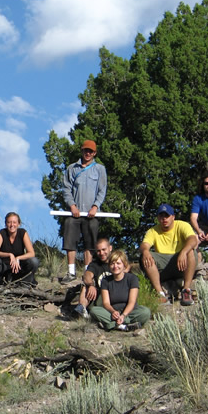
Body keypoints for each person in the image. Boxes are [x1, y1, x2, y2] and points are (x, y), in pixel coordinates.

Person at [61, 139, 107, 282]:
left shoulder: (100, 169)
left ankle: (88, 272)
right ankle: (71, 272)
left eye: (91, 151)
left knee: (90, 242)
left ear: (94, 153)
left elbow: (102, 190)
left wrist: (95, 206)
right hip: (74, 212)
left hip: (91, 214)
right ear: (81, 151)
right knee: (69, 238)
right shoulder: (71, 168)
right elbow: (66, 189)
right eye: (85, 150)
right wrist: (72, 205)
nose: (88, 153)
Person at [139, 203, 199, 306]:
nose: (164, 219)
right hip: (163, 266)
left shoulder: (182, 225)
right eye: (161, 216)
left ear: (173, 217)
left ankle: (186, 290)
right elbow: (144, 244)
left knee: (191, 251)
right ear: (158, 218)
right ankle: (160, 293)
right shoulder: (152, 231)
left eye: (167, 216)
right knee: (145, 256)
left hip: (181, 263)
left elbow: (193, 240)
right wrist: (145, 251)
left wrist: (183, 252)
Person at [90, 250, 151, 332]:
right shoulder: (105, 281)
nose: (115, 266)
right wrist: (113, 312)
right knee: (94, 311)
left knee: (145, 312)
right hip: (112, 312)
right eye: (112, 264)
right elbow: (106, 303)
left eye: (118, 263)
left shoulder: (132, 279)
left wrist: (123, 315)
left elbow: (132, 302)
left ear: (124, 265)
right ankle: (125, 326)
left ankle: (113, 325)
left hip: (129, 312)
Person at [0, 212, 39, 285]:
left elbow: (31, 253)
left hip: (18, 268)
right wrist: (9, 255)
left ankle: (25, 285)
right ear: (6, 224)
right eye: (9, 222)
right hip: (4, 267)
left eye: (14, 222)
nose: (12, 225)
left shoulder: (23, 233)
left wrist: (18, 258)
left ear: (18, 224)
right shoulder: (2, 233)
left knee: (34, 261)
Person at [73, 237, 114, 319]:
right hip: (99, 296)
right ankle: (82, 310)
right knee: (86, 287)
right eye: (98, 251)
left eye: (104, 249)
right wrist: (91, 285)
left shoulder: (116, 262)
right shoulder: (95, 264)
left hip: (114, 294)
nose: (101, 253)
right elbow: (87, 275)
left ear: (110, 248)